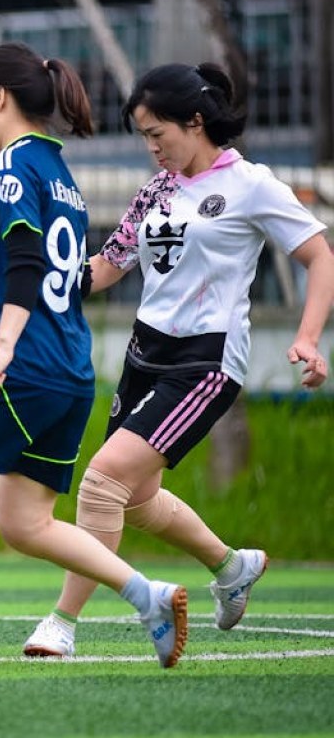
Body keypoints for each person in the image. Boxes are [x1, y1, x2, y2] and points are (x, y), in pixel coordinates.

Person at [0, 42, 190, 669]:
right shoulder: (60, 172)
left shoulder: (10, 166)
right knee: (24, 522)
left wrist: (5, 345)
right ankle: (148, 595)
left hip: (26, 371)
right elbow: (55, 275)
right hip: (68, 370)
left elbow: (26, 260)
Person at [23, 62, 334, 658]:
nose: (151, 147)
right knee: (134, 499)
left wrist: (310, 338)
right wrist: (22, 303)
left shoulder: (252, 185)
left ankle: (61, 624)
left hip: (205, 364)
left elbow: (320, 257)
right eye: (143, 136)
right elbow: (107, 267)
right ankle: (231, 566)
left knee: (102, 483)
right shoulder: (155, 190)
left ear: (195, 122)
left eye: (156, 133)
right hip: (145, 354)